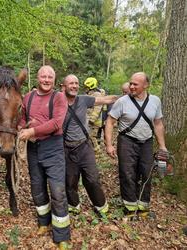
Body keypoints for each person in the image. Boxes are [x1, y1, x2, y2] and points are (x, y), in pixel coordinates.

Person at [18, 65, 70, 249]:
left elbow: (56, 123)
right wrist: (22, 127)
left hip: (53, 147)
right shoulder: (28, 97)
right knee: (37, 188)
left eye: (50, 77)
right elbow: (23, 119)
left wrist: (32, 130)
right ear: (37, 78)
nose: (46, 80)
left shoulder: (59, 97)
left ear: (55, 80)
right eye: (43, 76)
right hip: (33, 149)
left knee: (57, 192)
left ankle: (62, 235)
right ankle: (43, 222)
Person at [105, 72, 167, 217]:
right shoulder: (122, 102)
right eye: (131, 83)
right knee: (127, 174)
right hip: (127, 140)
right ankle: (130, 207)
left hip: (146, 142)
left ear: (146, 85)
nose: (131, 87)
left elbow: (158, 124)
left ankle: (143, 206)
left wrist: (162, 145)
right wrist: (109, 145)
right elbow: (110, 122)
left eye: (135, 84)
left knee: (146, 173)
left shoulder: (155, 101)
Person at [62, 74, 117, 216]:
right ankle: (74, 206)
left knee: (92, 179)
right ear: (63, 86)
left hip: (84, 146)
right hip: (66, 148)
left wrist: (127, 96)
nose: (74, 86)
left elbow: (105, 99)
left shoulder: (83, 99)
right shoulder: (57, 102)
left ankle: (101, 207)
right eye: (71, 83)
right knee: (70, 181)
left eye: (76, 83)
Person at [83, 77, 108, 159]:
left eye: (86, 87)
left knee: (91, 136)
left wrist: (92, 119)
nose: (85, 89)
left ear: (91, 86)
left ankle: (97, 152)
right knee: (91, 136)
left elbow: (97, 108)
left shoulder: (97, 95)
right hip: (91, 120)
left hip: (95, 121)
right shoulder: (91, 94)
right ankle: (95, 150)